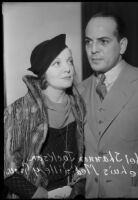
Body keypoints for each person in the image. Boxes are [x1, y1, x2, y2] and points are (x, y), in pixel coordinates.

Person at [78, 12, 138, 198]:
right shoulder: (79, 90)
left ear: (122, 45)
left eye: (103, 41)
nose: (93, 49)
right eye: (88, 41)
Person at [4, 34, 86, 199]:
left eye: (70, 61)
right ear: (43, 73)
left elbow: (82, 158)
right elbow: (8, 170)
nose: (68, 68)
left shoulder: (79, 105)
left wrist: (78, 185)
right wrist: (39, 194)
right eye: (57, 63)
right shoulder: (18, 112)